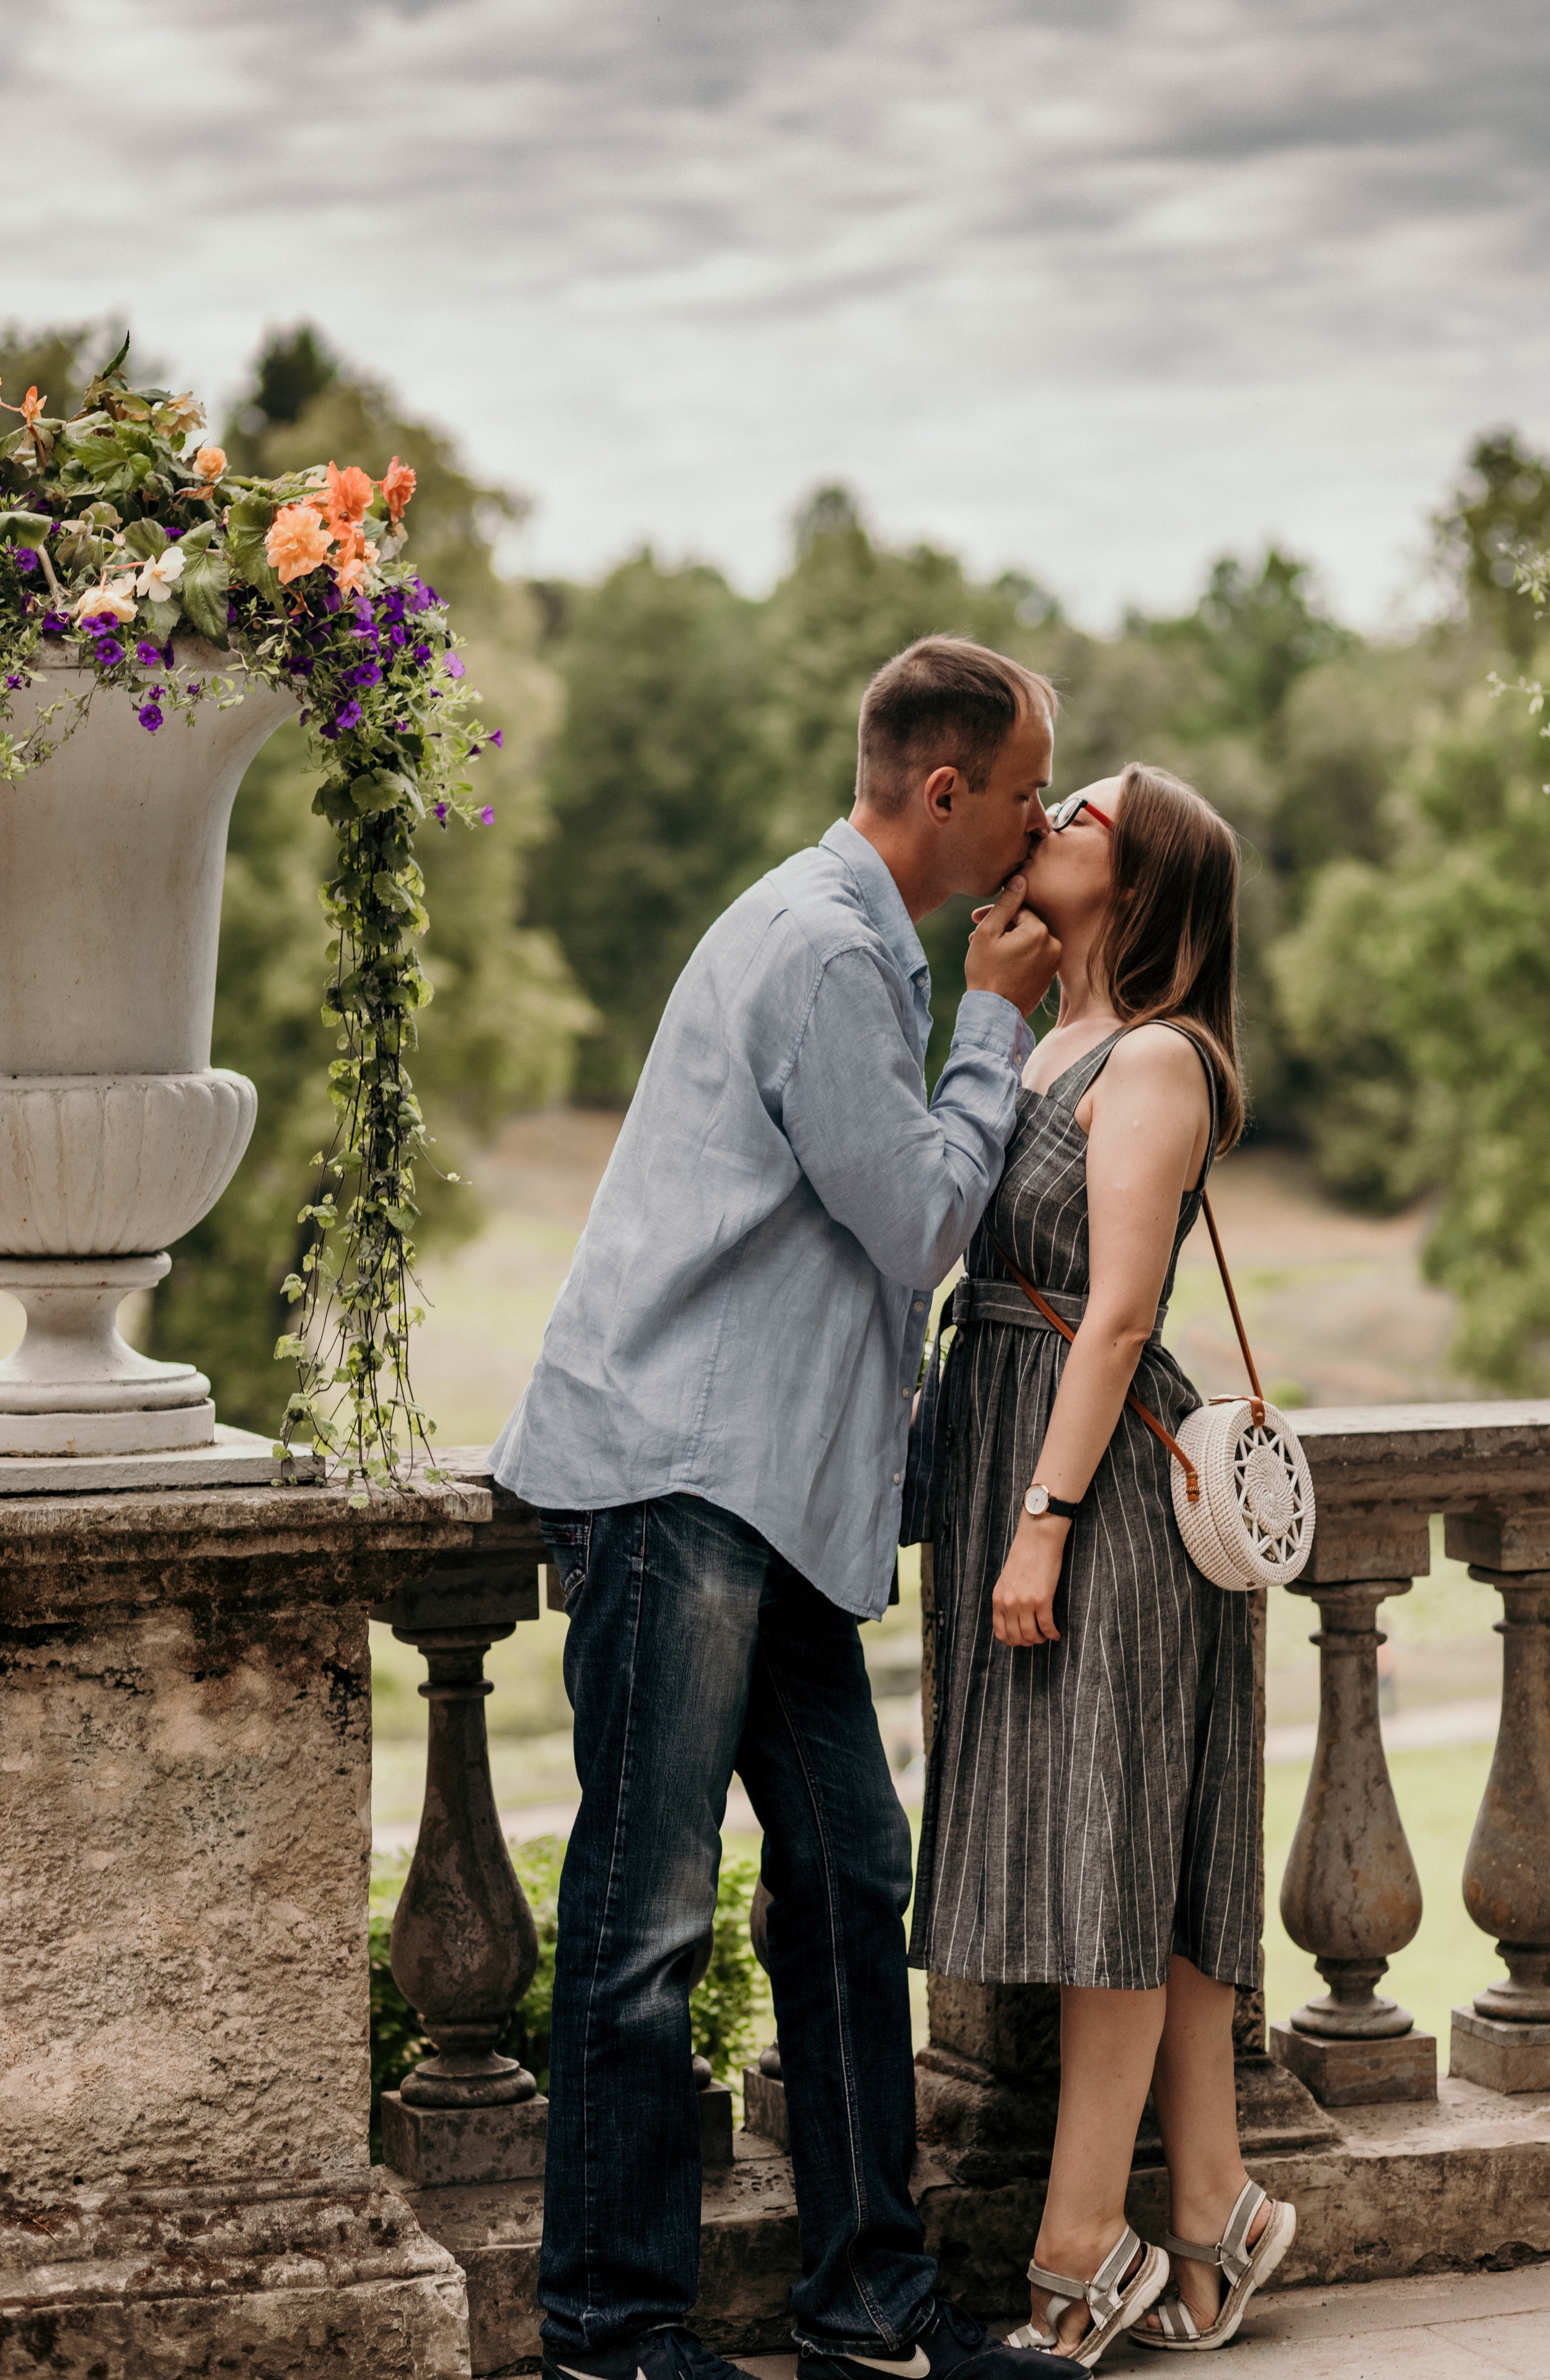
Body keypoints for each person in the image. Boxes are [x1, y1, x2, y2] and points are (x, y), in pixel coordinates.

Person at [490, 638, 1079, 2380]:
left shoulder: (843, 937)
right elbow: (916, 1224)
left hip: (772, 1499)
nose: (1040, 822)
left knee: (846, 1879)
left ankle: (871, 2307)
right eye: (1028, 791)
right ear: (947, 790)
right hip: (678, 1478)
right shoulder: (828, 949)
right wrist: (997, 1021)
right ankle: (609, 2331)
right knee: (647, 1919)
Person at [909, 765, 1297, 2365]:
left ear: (1140, 884)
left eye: (1085, 813)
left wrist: (1046, 1517)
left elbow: (1123, 1310)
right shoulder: (1049, 1038)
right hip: (1019, 1443)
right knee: (1136, 1846)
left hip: (1100, 1486)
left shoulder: (1155, 1058)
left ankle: (1080, 2250)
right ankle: (1213, 2204)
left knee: (1109, 1862)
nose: (1052, 814)